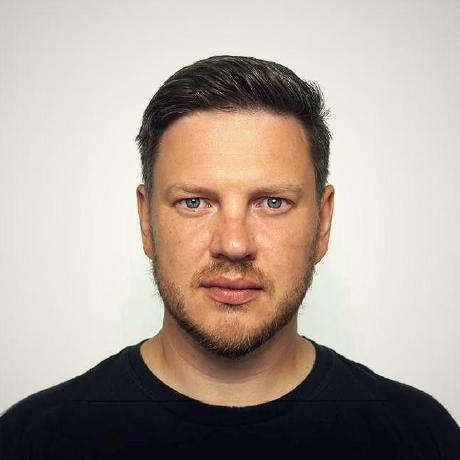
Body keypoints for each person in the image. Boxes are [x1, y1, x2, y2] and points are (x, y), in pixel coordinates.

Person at [1, 55, 459, 459]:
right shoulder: (30, 441)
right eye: (194, 202)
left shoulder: (423, 437)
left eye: (273, 202)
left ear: (322, 223)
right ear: (146, 220)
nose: (235, 244)